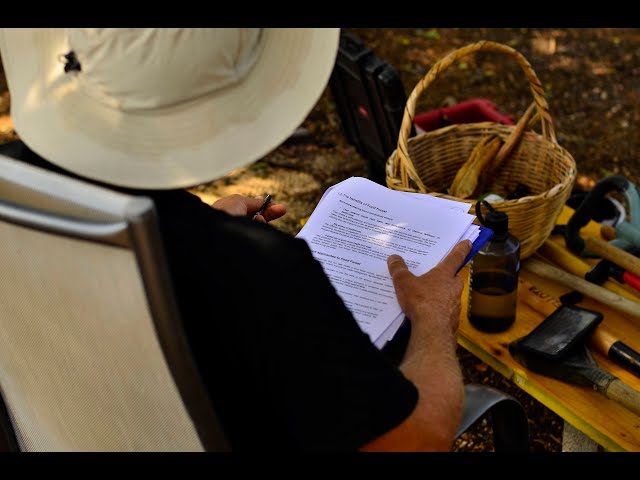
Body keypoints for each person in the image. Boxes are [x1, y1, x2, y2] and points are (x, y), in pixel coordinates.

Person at [0, 28, 472, 451]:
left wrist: (198, 233)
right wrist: (430, 317)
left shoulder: (15, 186)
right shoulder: (262, 274)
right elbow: (416, 440)